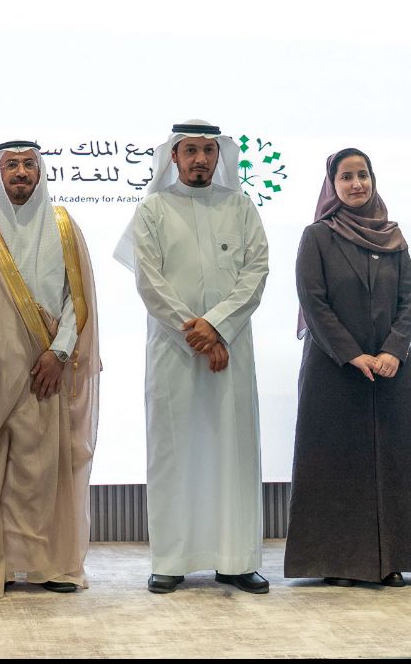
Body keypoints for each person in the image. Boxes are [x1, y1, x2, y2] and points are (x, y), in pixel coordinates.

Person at [116, 120, 269, 595]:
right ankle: (171, 560)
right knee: (174, 452)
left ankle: (236, 560)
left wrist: (217, 326)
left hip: (231, 351)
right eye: (190, 151)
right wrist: (199, 335)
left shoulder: (241, 207)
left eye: (208, 151)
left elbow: (256, 273)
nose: (200, 159)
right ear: (174, 157)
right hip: (174, 353)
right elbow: (150, 282)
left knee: (233, 452)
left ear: (218, 155)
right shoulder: (152, 209)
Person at [283, 148, 411, 587]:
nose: (357, 184)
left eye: (363, 175)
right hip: (334, 367)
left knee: (395, 463)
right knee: (337, 464)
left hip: (391, 368)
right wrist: (352, 353)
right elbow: (313, 300)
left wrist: (393, 350)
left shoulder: (393, 236)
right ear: (332, 185)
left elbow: (409, 298)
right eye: (346, 176)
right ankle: (337, 562)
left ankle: (391, 559)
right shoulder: (317, 236)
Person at [0, 141, 100, 601]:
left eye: (29, 164)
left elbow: (78, 300)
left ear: (41, 171)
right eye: (11, 165)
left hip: (44, 372)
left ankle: (43, 565)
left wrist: (60, 353)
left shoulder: (64, 226)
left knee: (39, 473)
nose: (21, 172)